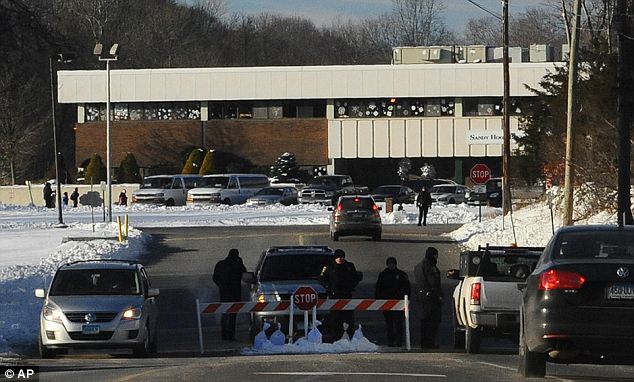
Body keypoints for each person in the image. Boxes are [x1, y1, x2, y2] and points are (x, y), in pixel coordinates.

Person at [320, 249, 362, 340]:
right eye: (338, 257)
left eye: (342, 257)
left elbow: (356, 277)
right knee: (335, 319)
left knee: (348, 318)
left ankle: (350, 336)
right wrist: (328, 287)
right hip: (334, 296)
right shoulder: (329, 267)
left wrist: (351, 286)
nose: (340, 259)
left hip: (346, 295)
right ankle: (336, 337)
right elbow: (322, 278)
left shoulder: (349, 266)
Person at [375, 257, 411, 347]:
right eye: (389, 263)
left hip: (398, 302)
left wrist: (407, 300)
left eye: (393, 263)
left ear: (395, 264)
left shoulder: (401, 274)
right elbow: (378, 288)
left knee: (398, 323)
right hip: (386, 302)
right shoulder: (383, 274)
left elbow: (407, 287)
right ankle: (390, 341)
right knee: (389, 323)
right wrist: (379, 300)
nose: (391, 265)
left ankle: (399, 341)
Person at [212, 248, 247, 341]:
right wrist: (241, 263)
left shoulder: (220, 264)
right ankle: (230, 335)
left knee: (225, 314)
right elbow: (245, 274)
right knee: (232, 315)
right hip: (235, 292)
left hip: (224, 293)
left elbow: (215, 278)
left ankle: (224, 334)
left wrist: (221, 286)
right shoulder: (237, 265)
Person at [415, 247, 443, 349]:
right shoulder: (430, 267)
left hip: (422, 298)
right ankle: (429, 343)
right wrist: (438, 296)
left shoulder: (418, 266)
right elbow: (433, 283)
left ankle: (425, 343)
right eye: (436, 255)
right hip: (431, 299)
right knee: (432, 322)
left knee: (425, 321)